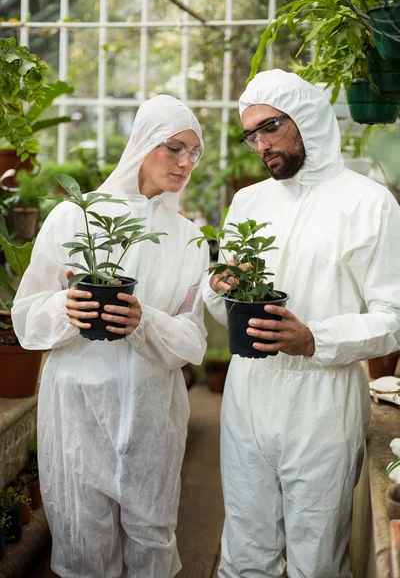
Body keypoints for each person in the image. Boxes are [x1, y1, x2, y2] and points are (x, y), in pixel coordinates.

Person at [202, 70, 400, 578]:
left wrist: (316, 339)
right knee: (244, 548)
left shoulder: (368, 203)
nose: (260, 145)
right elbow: (216, 295)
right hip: (247, 395)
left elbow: (394, 316)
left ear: (306, 118)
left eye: (270, 128)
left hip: (323, 401)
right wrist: (217, 286)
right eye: (251, 136)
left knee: (315, 555)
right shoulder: (249, 202)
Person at [12, 95, 209, 578]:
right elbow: (25, 318)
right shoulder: (73, 218)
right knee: (82, 537)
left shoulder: (188, 239)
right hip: (78, 413)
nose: (185, 163)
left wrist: (145, 321)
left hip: (153, 417)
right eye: (174, 148)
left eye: (193, 153)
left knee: (152, 539)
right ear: (142, 143)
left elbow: (194, 341)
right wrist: (66, 306)